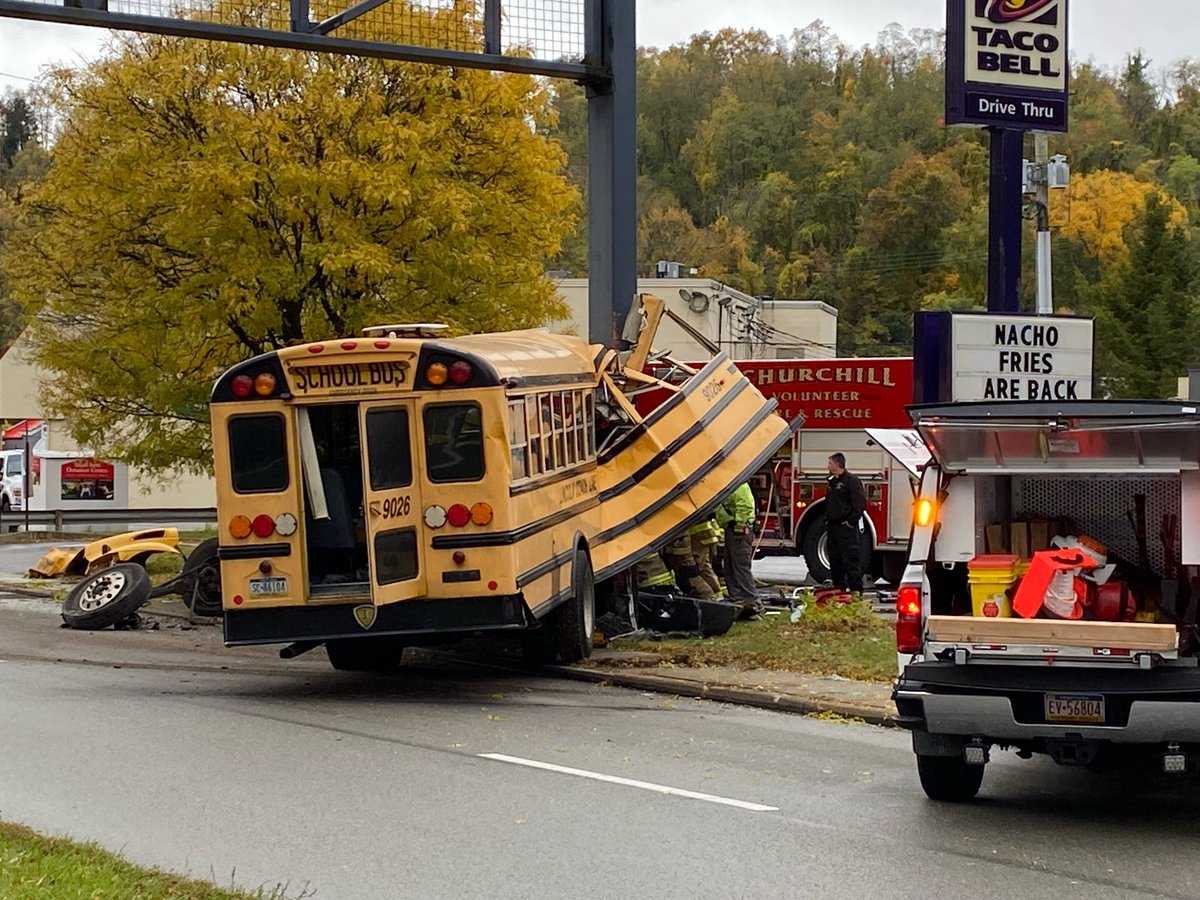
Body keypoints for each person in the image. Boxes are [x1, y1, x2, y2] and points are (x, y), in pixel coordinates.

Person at [824, 452, 867, 592]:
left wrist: (850, 522)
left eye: (830, 463)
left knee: (850, 561)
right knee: (835, 562)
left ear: (837, 464)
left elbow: (859, 503)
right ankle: (839, 591)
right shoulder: (832, 482)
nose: (828, 466)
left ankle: (856, 593)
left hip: (845, 528)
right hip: (832, 527)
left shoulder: (851, 481)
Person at [715, 482, 759, 611]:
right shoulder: (732, 486)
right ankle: (737, 598)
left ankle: (753, 601)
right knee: (729, 566)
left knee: (741, 566)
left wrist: (739, 526)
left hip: (738, 530)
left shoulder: (739, 486)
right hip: (731, 528)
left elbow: (744, 506)